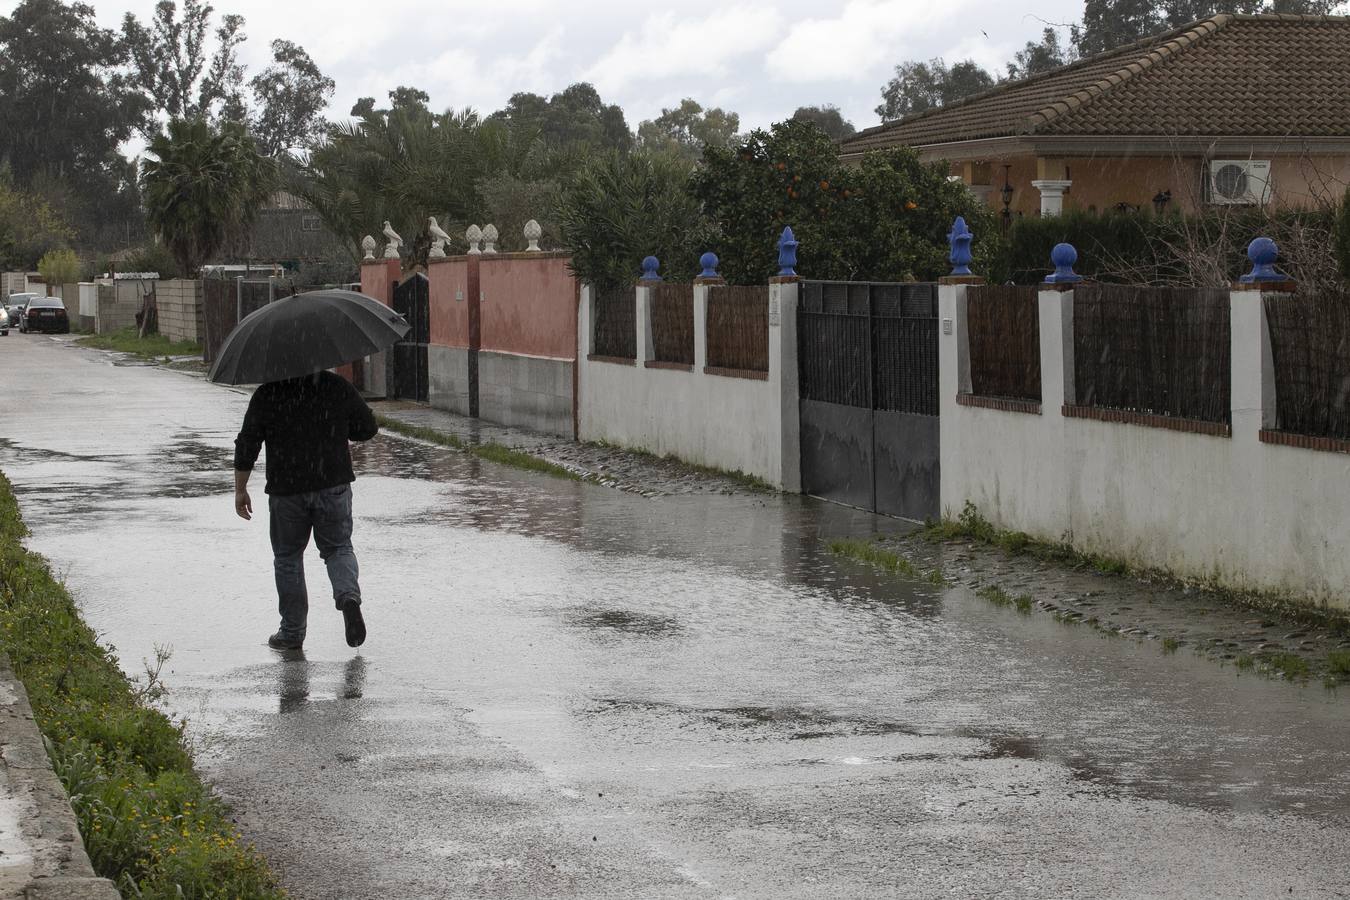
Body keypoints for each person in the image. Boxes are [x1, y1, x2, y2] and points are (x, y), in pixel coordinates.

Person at [233, 370, 378, 650]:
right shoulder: (336, 385)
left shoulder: (268, 393)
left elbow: (247, 442)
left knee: (288, 558)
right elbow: (367, 428)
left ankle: (291, 633)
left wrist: (240, 488)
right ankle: (349, 598)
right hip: (332, 483)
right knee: (338, 549)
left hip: (287, 491)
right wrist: (334, 427)